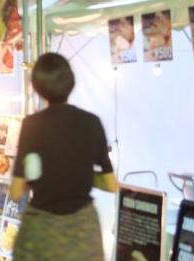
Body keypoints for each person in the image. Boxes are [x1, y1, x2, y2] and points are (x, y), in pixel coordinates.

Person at [8, 53, 117, 260]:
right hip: (84, 234)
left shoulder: (32, 125)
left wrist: (44, 176)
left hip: (42, 234)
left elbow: (16, 191)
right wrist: (80, 173)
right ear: (70, 81)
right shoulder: (92, 123)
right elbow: (111, 185)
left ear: (38, 86)